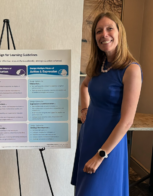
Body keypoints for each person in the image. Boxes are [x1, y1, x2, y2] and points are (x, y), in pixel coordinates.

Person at [71, 12, 142, 196]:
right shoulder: (99, 64)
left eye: (110, 28)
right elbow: (84, 86)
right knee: (83, 190)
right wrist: (84, 108)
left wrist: (100, 155)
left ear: (120, 33)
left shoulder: (131, 69)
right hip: (88, 136)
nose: (104, 34)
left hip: (108, 145)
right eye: (98, 31)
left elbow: (127, 121)